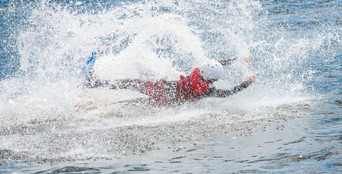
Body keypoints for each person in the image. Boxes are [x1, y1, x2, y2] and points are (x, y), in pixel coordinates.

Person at [83, 56, 256, 107]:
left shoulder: (197, 71)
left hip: (162, 86)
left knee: (129, 83)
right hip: (167, 101)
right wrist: (247, 83)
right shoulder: (205, 90)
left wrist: (236, 60)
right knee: (131, 104)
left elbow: (218, 63)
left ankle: (94, 83)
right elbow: (229, 93)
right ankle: (97, 108)